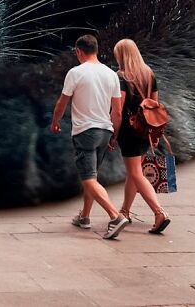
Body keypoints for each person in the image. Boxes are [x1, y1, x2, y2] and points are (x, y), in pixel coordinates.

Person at [50, 34, 129, 239]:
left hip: (85, 131)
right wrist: (114, 135)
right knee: (91, 176)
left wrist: (55, 121)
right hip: (105, 131)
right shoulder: (111, 75)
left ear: (78, 51)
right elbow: (118, 111)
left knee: (88, 179)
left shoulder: (75, 73)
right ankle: (84, 217)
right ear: (96, 49)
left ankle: (115, 216)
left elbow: (62, 102)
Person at [112, 38, 171, 234]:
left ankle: (159, 212)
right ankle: (125, 211)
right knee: (133, 172)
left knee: (136, 173)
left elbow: (118, 110)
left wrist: (114, 135)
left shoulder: (120, 76)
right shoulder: (149, 74)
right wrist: (154, 133)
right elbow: (154, 105)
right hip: (145, 129)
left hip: (129, 131)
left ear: (122, 56)